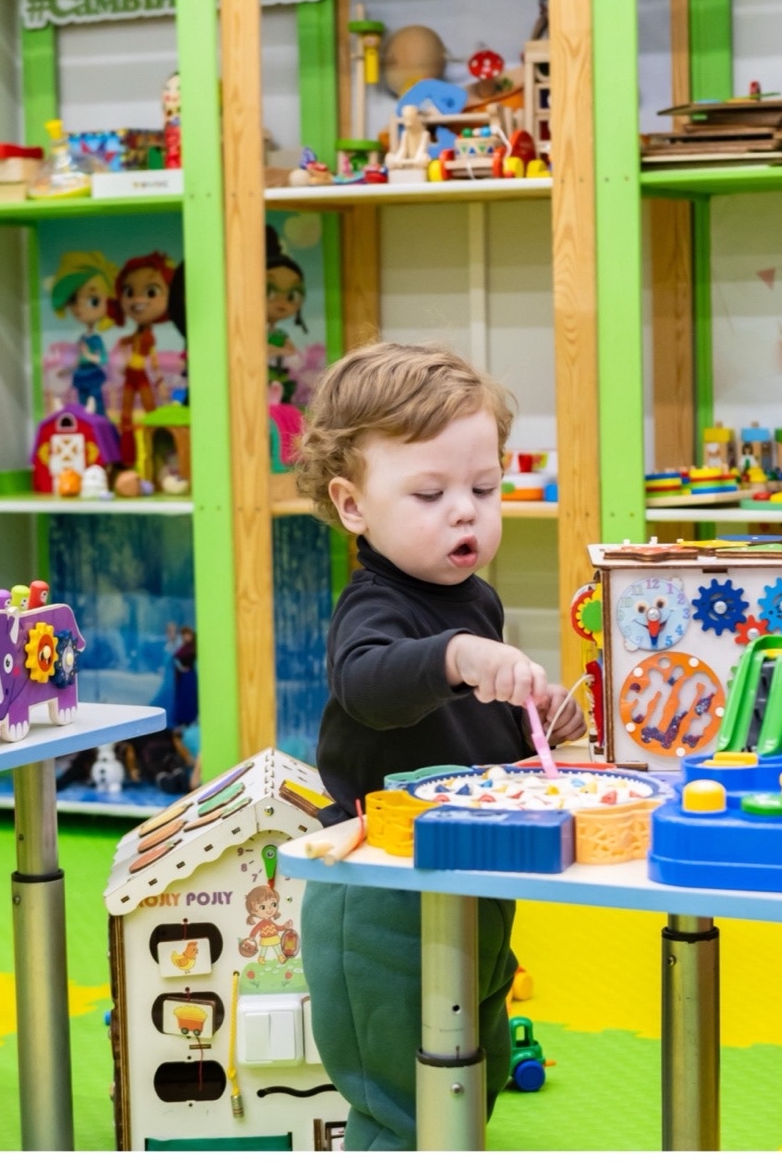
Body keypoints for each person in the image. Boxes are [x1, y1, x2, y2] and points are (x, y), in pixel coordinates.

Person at [289, 341, 586, 1149]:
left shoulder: (474, 598)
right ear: (353, 505)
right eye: (430, 493)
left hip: (466, 871)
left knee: (471, 1069)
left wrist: (534, 717)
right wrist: (458, 657)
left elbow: (462, 724)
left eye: (485, 488)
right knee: (401, 1099)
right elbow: (370, 684)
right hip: (383, 890)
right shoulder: (373, 606)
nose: (466, 511)